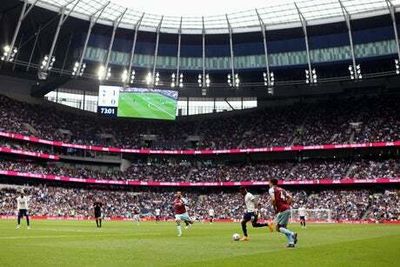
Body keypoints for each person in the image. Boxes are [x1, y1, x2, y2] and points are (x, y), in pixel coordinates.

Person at [269, 178, 298, 248]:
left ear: (271, 183)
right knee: (283, 228)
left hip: (282, 210)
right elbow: (291, 198)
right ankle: (291, 243)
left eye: (269, 183)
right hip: (286, 208)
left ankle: (292, 233)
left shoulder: (271, 189)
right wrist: (286, 205)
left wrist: (274, 208)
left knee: (278, 228)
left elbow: (273, 200)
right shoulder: (282, 189)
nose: (268, 184)